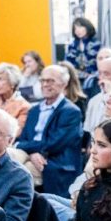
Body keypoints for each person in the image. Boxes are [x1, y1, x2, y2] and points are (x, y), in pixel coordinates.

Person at [15, 64, 83, 198]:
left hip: (52, 162)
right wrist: (32, 152)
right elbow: (24, 137)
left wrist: (23, 147)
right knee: (7, 159)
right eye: (43, 80)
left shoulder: (71, 112)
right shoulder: (34, 110)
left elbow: (54, 143)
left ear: (64, 84)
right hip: (31, 156)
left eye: (51, 81)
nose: (45, 84)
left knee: (15, 173)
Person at [82, 56, 111, 138]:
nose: (102, 77)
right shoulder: (94, 100)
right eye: (100, 73)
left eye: (106, 74)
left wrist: (109, 94)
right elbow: (88, 131)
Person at [65, 16, 102, 88]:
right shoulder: (71, 45)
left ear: (87, 27)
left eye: (80, 27)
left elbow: (100, 64)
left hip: (94, 80)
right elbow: (67, 64)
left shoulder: (97, 44)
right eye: (75, 28)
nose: (77, 31)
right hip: (75, 80)